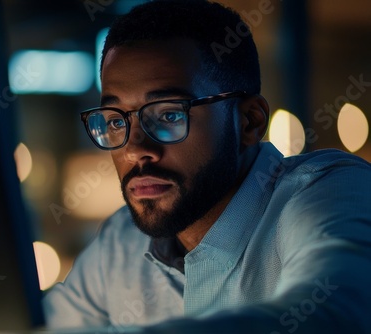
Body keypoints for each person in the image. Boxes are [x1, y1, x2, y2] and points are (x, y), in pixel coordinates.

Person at [43, 0, 371, 333]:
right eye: (115, 121)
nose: (135, 150)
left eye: (169, 115)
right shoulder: (120, 242)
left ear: (249, 122)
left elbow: (335, 315)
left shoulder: (330, 189)